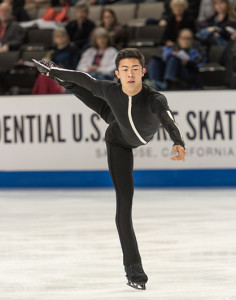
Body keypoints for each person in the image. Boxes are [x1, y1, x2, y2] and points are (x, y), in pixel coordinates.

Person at [33, 48, 186, 290]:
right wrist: (54, 70)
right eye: (125, 69)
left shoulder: (154, 99)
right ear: (117, 73)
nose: (130, 73)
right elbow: (85, 79)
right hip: (118, 139)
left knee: (96, 100)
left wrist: (178, 141)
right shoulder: (110, 89)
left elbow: (167, 118)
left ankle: (55, 74)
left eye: (135, 69)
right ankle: (134, 269)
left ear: (143, 72)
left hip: (120, 119)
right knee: (123, 207)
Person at [32, 27, 79, 94]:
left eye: (61, 36)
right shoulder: (53, 53)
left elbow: (75, 67)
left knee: (44, 77)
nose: (59, 38)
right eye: (57, 36)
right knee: (43, 75)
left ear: (66, 37)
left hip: (66, 77)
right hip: (55, 76)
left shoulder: (72, 50)